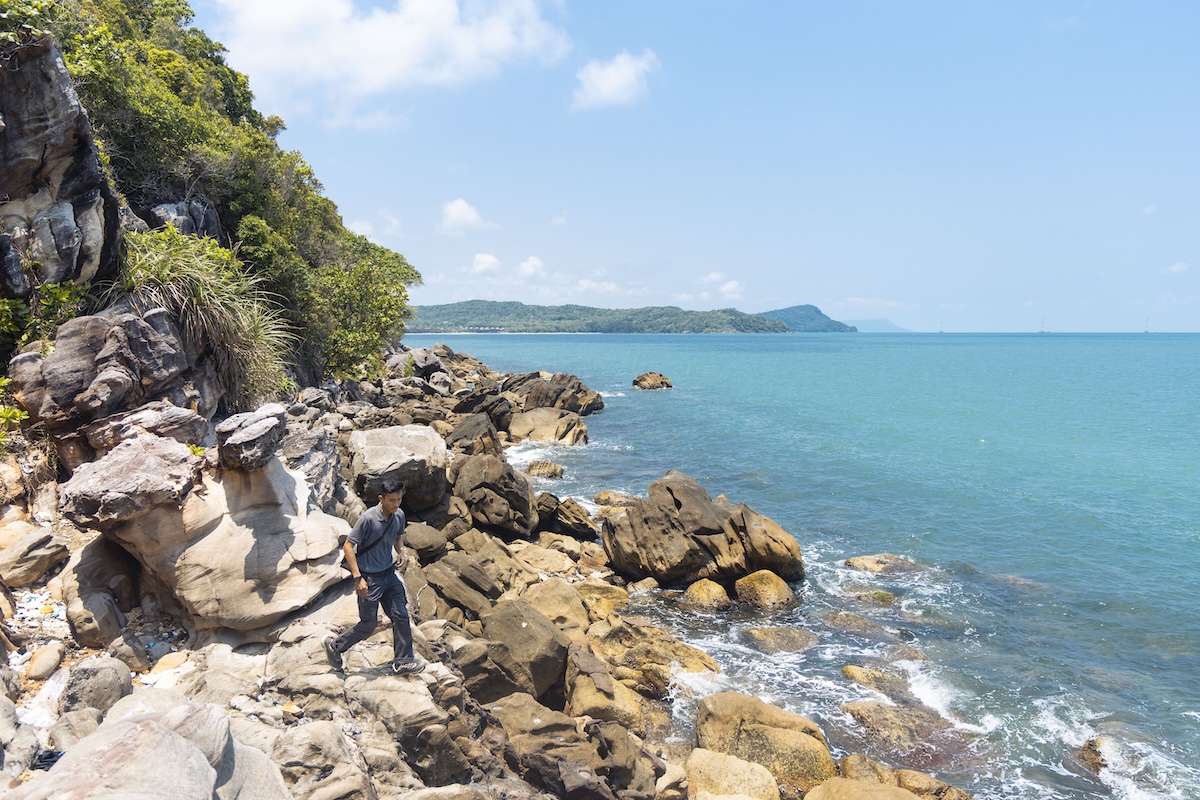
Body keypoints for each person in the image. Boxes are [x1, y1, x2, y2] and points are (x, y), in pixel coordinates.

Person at [324, 479, 422, 674]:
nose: (396, 504)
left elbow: (397, 535)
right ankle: (335, 646)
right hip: (369, 578)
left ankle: (403, 661)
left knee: (401, 615)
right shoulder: (368, 519)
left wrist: (400, 551)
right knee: (368, 624)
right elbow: (348, 547)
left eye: (399, 500)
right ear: (381, 498)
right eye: (392, 500)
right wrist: (357, 578)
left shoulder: (398, 515)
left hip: (388, 574)